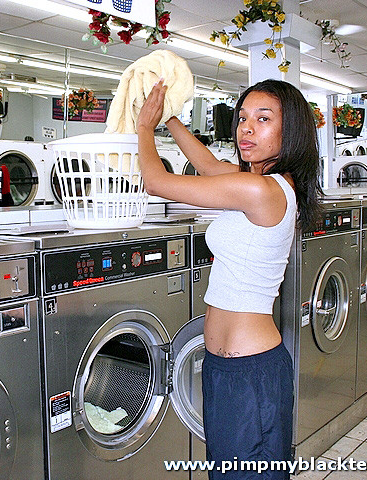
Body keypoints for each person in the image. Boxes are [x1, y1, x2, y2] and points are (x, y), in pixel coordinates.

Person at [137, 79, 321, 479]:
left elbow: (156, 182)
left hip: (250, 372)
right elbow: (206, 164)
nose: (246, 128)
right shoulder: (258, 183)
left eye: (263, 118)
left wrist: (144, 127)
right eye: (242, 118)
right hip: (227, 368)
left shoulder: (262, 190)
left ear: (291, 132)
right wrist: (170, 118)